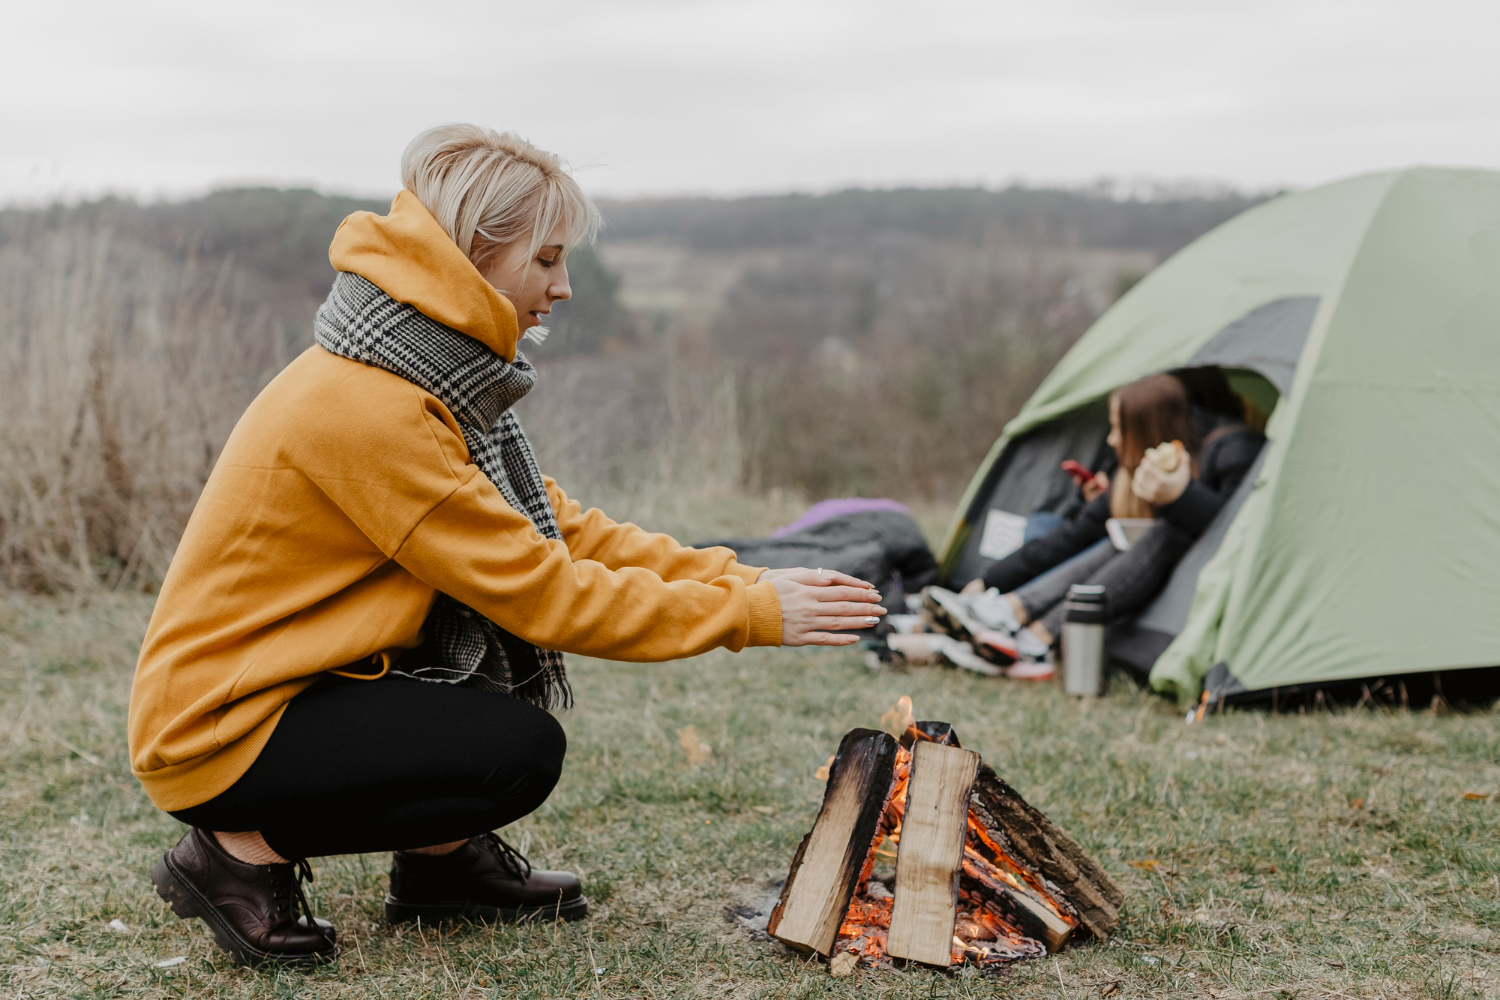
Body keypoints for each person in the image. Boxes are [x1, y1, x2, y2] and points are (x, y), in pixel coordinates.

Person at [128, 125, 885, 966]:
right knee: (511, 755)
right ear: (473, 254)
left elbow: (560, 527)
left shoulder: (420, 365)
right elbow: (542, 590)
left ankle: (442, 868)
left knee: (488, 719)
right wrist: (745, 614)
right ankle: (234, 856)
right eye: (547, 259)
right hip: (224, 721)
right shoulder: (371, 406)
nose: (563, 288)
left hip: (304, 679)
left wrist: (744, 574)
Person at [925, 371, 1263, 676]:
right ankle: (1009, 613)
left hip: (1193, 596)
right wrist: (988, 580)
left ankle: (1036, 636)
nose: (1112, 441)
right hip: (1130, 583)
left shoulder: (1232, 450)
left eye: (1118, 428)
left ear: (1147, 428)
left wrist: (1181, 496)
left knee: (1163, 534)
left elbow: (1238, 531)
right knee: (1115, 535)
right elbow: (1069, 538)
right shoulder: (1131, 476)